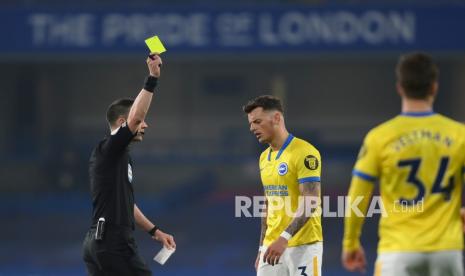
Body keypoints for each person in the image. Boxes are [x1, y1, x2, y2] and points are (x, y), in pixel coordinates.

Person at [342, 52, 465, 276]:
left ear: (400, 87)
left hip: (398, 252)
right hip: (447, 251)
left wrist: (350, 242)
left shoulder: (380, 137)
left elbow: (358, 195)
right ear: (434, 88)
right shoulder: (459, 135)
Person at [82, 54, 176, 276]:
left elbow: (127, 204)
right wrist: (152, 78)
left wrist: (154, 231)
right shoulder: (110, 149)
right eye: (142, 120)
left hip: (97, 242)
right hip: (113, 243)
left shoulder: (117, 156)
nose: (146, 124)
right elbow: (135, 118)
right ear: (123, 122)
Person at [243, 95, 323, 276]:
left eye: (257, 121)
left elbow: (311, 201)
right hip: (271, 248)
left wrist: (284, 238)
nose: (252, 128)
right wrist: (262, 247)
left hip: (304, 246)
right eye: (250, 123)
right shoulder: (264, 158)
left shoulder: (305, 152)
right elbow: (268, 204)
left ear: (277, 118)